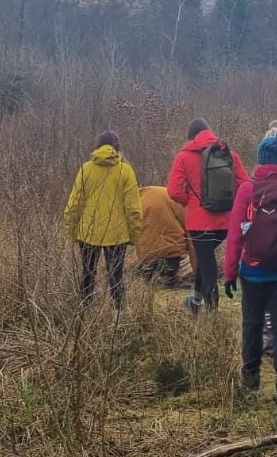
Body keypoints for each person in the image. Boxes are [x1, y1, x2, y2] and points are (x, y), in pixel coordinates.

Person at [224, 159, 277, 406]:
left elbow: (235, 235)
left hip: (252, 272)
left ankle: (250, 382)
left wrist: (230, 273)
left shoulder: (247, 189)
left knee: (251, 326)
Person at [167, 118, 250, 314]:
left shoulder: (183, 157)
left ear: (190, 136)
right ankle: (196, 300)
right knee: (205, 261)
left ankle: (212, 317)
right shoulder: (228, 154)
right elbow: (245, 185)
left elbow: (173, 190)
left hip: (199, 222)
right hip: (225, 222)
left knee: (208, 267)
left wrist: (190, 202)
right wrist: (230, 203)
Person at [62, 131, 144, 317]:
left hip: (87, 233)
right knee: (116, 277)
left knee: (87, 274)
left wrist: (71, 231)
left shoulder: (86, 169)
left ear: (97, 147)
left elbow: (74, 203)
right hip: (117, 235)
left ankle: (84, 313)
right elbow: (133, 209)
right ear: (118, 148)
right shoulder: (126, 171)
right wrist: (134, 235)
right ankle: (119, 315)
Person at [134, 185, 191, 288]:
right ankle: (171, 278)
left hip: (144, 202)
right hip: (162, 206)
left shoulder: (141, 196)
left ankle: (148, 276)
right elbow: (188, 227)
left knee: (148, 241)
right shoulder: (184, 205)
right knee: (173, 245)